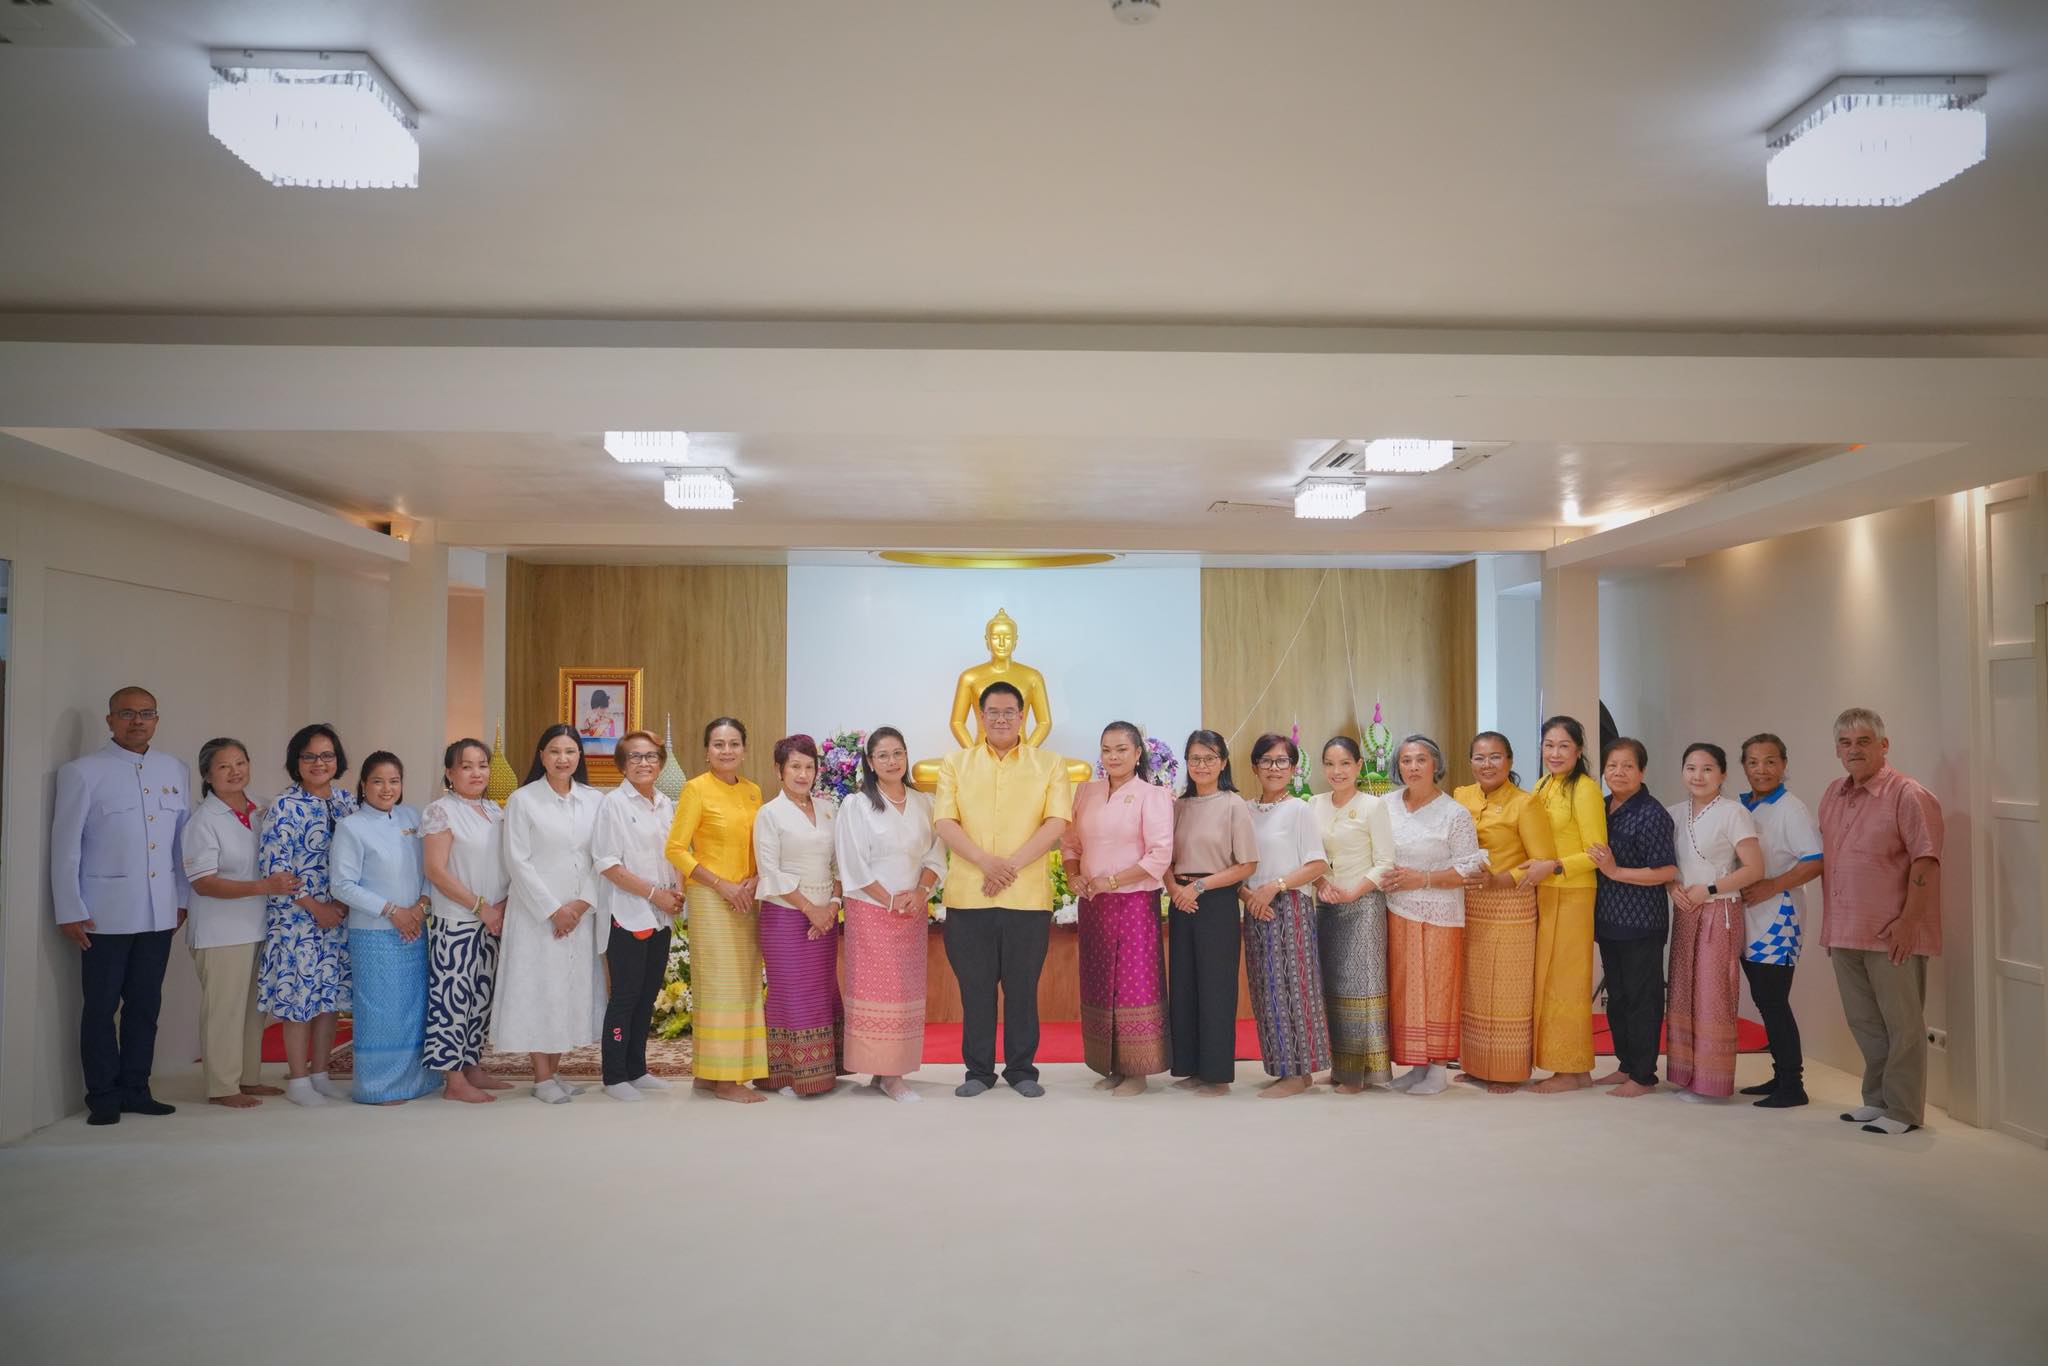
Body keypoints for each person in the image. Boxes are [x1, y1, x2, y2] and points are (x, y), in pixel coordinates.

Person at [51, 687, 192, 1124]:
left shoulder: (174, 769)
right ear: (109, 720)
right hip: (103, 913)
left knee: (145, 1006)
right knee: (99, 1009)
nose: (137, 721)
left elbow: (180, 843)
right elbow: (65, 846)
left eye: (146, 713)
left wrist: (181, 900)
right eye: (127, 714)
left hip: (158, 913)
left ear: (156, 718)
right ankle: (103, 1096)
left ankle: (136, 1088)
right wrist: (68, 908)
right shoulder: (83, 772)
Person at [933, 682, 1076, 1098]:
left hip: (1026, 897)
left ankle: (1021, 1069)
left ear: (1023, 716)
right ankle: (977, 1071)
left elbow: (1056, 823)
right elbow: (944, 822)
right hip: (968, 895)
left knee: (1022, 987)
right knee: (975, 989)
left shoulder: (1050, 764)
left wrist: (1008, 866)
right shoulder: (955, 763)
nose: (1000, 719)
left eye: (1009, 712)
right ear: (979, 716)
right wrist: (985, 862)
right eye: (992, 712)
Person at [1818, 707, 1945, 1136]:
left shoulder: (1908, 794)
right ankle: (1877, 1101)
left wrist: (1910, 921)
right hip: (1845, 929)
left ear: (1884, 745)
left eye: (1864, 741)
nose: (1854, 750)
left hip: (1893, 931)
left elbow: (1926, 860)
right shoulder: (1833, 794)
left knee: (1903, 1024)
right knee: (1865, 1023)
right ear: (1837, 749)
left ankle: (1905, 1111)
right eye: (1846, 743)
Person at [1062, 722, 1174, 1096]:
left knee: (1133, 985)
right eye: (1106, 749)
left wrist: (1112, 881)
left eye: (1122, 749)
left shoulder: (1152, 795)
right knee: (1098, 983)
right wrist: (1074, 875)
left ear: (1138, 753)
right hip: (1093, 904)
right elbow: (1071, 842)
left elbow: (1159, 854)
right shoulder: (1086, 792)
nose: (1113, 756)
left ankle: (1137, 1070)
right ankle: (1109, 1063)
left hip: (1133, 902)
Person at [494, 725, 605, 1103]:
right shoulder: (523, 800)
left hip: (579, 914)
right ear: (541, 755)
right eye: (554, 751)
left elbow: (601, 858)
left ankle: (555, 1071)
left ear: (579, 757)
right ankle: (541, 1077)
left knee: (569, 991)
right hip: (536, 916)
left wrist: (579, 905)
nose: (562, 759)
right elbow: (518, 862)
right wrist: (554, 910)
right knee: (540, 990)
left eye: (570, 751)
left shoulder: (594, 801)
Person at [178, 737, 290, 1109]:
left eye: (240, 762)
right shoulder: (203, 821)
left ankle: (248, 1078)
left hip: (258, 924)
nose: (234, 771)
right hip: (221, 930)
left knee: (253, 1010)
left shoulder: (261, 806)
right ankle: (222, 1086)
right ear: (207, 775)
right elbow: (203, 882)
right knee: (224, 1010)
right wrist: (263, 886)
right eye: (224, 766)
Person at [835, 727, 944, 1101]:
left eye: (898, 753)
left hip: (912, 911)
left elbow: (935, 855)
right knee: (878, 993)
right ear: (869, 762)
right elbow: (852, 863)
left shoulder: (924, 803)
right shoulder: (856, 805)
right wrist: (888, 899)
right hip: (870, 910)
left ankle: (893, 1069)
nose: (892, 761)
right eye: (882, 755)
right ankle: (887, 1074)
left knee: (905, 991)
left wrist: (920, 892)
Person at [664, 717, 768, 1103]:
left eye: (734, 743)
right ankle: (725, 1079)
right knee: (719, 987)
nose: (727, 751)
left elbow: (759, 844)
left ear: (744, 748)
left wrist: (754, 880)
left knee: (744, 984)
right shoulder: (695, 790)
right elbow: (675, 849)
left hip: (746, 895)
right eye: (719, 744)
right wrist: (721, 884)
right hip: (711, 896)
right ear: (707, 750)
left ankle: (709, 1075)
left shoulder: (754, 792)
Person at [1452, 731, 1558, 1093]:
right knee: (1474, 987)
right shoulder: (1460, 796)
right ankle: (1475, 1064)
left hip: (1510, 903)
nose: (1487, 764)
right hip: (1468, 901)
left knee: (1506, 991)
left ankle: (1507, 1072)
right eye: (1480, 757)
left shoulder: (1525, 803)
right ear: (1470, 762)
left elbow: (1542, 860)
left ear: (1510, 762)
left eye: (1495, 757)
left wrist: (1501, 879)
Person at [1382, 735, 1489, 1096]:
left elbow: (1469, 869)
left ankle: (1439, 1069)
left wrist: (1422, 878)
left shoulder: (1454, 813)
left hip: (1440, 913)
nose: (1413, 767)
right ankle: (1417, 1065)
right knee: (1406, 989)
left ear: (1435, 765)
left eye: (1421, 760)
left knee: (1438, 987)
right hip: (1397, 910)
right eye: (1406, 760)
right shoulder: (1386, 805)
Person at [330, 752, 439, 1104]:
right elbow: (342, 885)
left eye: (394, 780)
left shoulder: (412, 816)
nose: (386, 788)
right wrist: (392, 911)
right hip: (374, 932)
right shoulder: (352, 826)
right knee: (380, 1010)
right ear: (363, 785)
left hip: (415, 927)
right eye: (378, 781)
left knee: (413, 1007)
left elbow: (430, 869)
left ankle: (418, 1080)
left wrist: (420, 908)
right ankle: (377, 1087)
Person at [259, 722, 357, 1108]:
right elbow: (275, 867)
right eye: (310, 756)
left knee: (329, 997)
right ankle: (298, 1079)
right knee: (299, 999)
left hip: (340, 916)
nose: (320, 762)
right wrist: (316, 907)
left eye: (327, 755)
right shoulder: (285, 806)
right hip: (298, 919)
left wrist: (342, 906)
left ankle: (320, 1072)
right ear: (296, 762)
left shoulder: (347, 802)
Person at [1665, 743, 1764, 1101]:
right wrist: (1672, 886)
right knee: (1682, 991)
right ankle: (1684, 1074)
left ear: (1722, 774)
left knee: (1712, 994)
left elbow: (1755, 869)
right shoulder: (1674, 813)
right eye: (1690, 768)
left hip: (1719, 909)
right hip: (1686, 908)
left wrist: (1709, 889)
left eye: (1707, 769)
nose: (1698, 776)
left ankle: (1711, 1082)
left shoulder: (1734, 813)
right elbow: (1666, 865)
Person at [1162, 731, 1259, 1097]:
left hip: (1215, 901)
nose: (1201, 765)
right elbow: (1164, 858)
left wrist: (1199, 888)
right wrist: (1174, 890)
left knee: (1216, 988)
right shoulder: (1178, 805)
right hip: (1181, 900)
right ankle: (1190, 1066)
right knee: (1184, 985)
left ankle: (1217, 1074)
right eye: (1195, 758)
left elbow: (1247, 864)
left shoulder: (1233, 804)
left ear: (1222, 762)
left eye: (1209, 758)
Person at [589, 730, 684, 1103]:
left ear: (660, 762)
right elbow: (607, 863)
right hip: (627, 913)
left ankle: (637, 1068)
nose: (644, 763)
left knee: (647, 995)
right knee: (625, 996)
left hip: (661, 914)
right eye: (635, 757)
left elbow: (673, 854)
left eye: (650, 756)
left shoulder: (665, 803)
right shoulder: (612, 804)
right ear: (622, 765)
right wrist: (653, 893)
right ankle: (614, 1075)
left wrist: (675, 893)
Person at [1239, 732, 1332, 1099]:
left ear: (1293, 768)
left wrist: (1273, 887)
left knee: (1294, 989)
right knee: (1265, 991)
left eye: (1282, 762)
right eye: (1267, 761)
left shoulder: (1299, 809)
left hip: (1289, 906)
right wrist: (1249, 894)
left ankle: (1298, 1072)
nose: (1274, 768)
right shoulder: (1243, 810)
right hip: (1254, 907)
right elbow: (1236, 864)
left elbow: (1316, 864)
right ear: (1254, 766)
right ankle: (1283, 1068)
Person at [420, 738, 513, 1103]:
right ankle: (453, 1079)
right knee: (452, 999)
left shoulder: (494, 810)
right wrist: (481, 907)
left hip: (493, 919)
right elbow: (436, 870)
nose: (477, 773)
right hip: (458, 919)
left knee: (481, 996)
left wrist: (501, 907)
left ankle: (474, 1065)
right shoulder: (440, 811)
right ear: (450, 772)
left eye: (482, 765)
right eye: (467, 766)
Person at [1736, 733, 1824, 1108]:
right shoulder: (1741, 806)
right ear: (1743, 767)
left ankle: (1793, 1084)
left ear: (1784, 765)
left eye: (1770, 761)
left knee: (1773, 1001)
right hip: (1746, 916)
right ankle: (1779, 1074)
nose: (1762, 769)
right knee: (1762, 998)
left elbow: (1814, 861)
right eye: (1753, 762)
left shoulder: (1791, 809)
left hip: (1778, 918)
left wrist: (1773, 885)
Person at [754, 735, 845, 1097]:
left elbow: (840, 865)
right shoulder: (769, 813)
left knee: (821, 990)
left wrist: (833, 907)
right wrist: (810, 909)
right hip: (786, 916)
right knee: (790, 993)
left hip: (825, 916)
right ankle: (785, 1075)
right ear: (779, 770)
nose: (803, 773)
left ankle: (822, 1072)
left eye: (809, 766)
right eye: (795, 766)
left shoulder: (828, 810)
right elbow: (769, 871)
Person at [1587, 739, 1677, 1098]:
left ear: (1641, 771)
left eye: (1627, 766)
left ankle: (1644, 1075)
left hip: (1641, 922)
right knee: (1619, 996)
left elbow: (1666, 870)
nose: (1618, 773)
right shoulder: (1602, 806)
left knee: (1643, 998)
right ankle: (1626, 1064)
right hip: (1609, 919)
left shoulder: (1652, 813)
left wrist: (1615, 871)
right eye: (1612, 766)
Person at [1310, 736, 1396, 1092]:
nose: (1337, 771)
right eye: (1330, 763)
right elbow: (1308, 854)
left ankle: (1360, 1073)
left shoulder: (1374, 806)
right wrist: (1319, 883)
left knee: (1361, 990)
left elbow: (1386, 864)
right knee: (1331, 989)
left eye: (1345, 763)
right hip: (1326, 904)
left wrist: (1354, 891)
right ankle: (1340, 1064)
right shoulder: (1313, 804)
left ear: (1359, 765)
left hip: (1363, 906)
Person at [1526, 715, 1607, 1093]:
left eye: (1563, 746)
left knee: (1568, 983)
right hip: (1546, 891)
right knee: (1548, 980)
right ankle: (1574, 1067)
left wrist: (1554, 865)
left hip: (1573, 892)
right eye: (1548, 745)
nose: (1555, 753)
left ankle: (1569, 1069)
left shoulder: (1585, 789)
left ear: (1578, 750)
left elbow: (1596, 854)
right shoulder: (1543, 784)